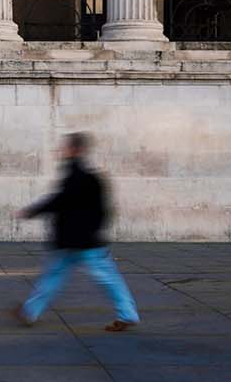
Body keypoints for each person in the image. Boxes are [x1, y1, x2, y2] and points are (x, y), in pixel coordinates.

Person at [13, 131, 140, 331]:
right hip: (84, 240)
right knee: (104, 278)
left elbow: (58, 201)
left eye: (66, 147)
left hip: (76, 242)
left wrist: (31, 211)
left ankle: (29, 312)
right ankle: (29, 312)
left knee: (57, 276)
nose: (62, 151)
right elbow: (103, 210)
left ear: (76, 149)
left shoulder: (76, 175)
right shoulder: (90, 177)